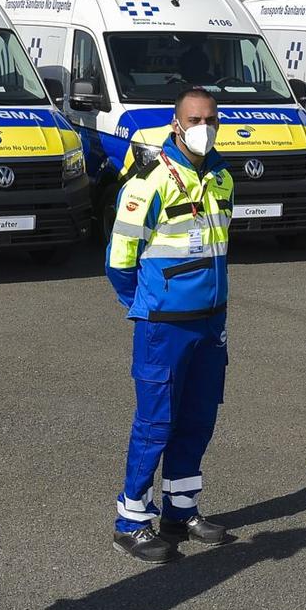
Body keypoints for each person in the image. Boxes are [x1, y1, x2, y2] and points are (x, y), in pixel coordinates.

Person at [105, 87, 235, 563]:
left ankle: (181, 510)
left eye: (212, 119)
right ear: (177, 124)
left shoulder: (221, 176)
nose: (205, 127)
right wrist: (147, 305)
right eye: (196, 119)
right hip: (164, 324)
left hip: (210, 321)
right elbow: (121, 260)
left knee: (199, 418)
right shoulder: (149, 181)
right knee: (155, 424)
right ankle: (131, 521)